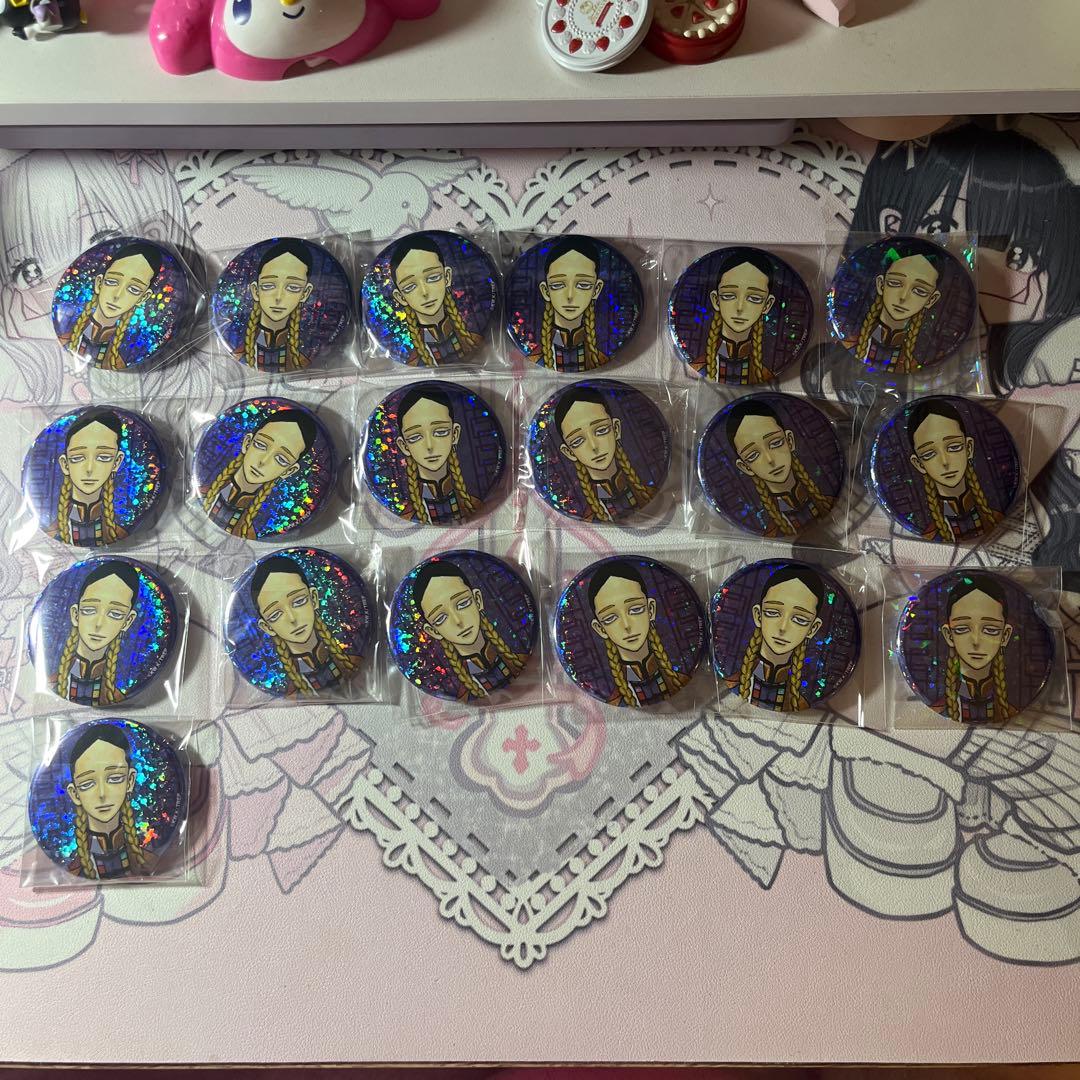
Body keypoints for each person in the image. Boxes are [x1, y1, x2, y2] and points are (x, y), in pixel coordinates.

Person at [414, 560, 527, 702]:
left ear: (477, 600)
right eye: (441, 618)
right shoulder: (462, 695)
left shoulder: (520, 660)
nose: (458, 621)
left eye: (463, 603)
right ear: (432, 631)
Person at [250, 555, 359, 696]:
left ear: (313, 598)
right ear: (267, 627)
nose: (292, 618)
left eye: (299, 601)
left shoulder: (354, 661)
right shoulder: (291, 693)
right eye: (275, 615)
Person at [200, 408, 317, 538]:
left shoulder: (250, 532)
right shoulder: (200, 496)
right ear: (247, 443)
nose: (263, 461)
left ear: (289, 471)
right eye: (261, 445)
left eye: (281, 459)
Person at [723, 399, 831, 536]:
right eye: (753, 455)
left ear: (790, 441)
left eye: (775, 443)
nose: (770, 460)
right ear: (745, 467)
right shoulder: (770, 532)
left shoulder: (830, 501)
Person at [725, 564, 825, 712]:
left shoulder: (801, 703)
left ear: (813, 628)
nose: (783, 628)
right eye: (772, 612)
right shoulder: (733, 682)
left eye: (800, 619)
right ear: (758, 615)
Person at [587, 560, 687, 707]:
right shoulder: (614, 698)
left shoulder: (680, 679)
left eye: (635, 609)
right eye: (610, 618)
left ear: (650, 609)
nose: (627, 625)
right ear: (600, 628)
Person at [905, 399, 1001, 542]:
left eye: (954, 447)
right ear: (918, 463)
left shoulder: (996, 517)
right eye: (929, 454)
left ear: (968, 448)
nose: (945, 462)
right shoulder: (930, 534)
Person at [58, 240, 162, 370]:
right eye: (112, 282)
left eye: (134, 289)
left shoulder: (118, 362)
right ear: (99, 283)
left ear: (143, 298)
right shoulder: (65, 340)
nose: (117, 295)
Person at [554, 386, 651, 521]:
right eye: (577, 441)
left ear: (616, 429)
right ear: (569, 452)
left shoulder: (649, 493)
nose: (594, 446)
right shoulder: (587, 518)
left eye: (601, 430)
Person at [64, 723, 147, 880]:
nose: (102, 794)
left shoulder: (148, 860)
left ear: (130, 781)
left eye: (115, 778)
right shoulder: (72, 870)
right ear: (74, 794)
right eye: (87, 784)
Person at [52, 560, 140, 707]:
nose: (99, 624)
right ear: (75, 614)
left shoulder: (117, 694)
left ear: (127, 621)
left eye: (115, 614)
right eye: (89, 610)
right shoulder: (51, 682)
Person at [934, 574, 1017, 724]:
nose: (976, 641)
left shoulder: (1011, 711)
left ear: (1005, 635)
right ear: (949, 635)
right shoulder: (939, 709)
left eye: (991, 630)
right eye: (962, 629)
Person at [849, 240, 941, 373]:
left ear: (931, 299)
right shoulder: (851, 344)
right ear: (881, 284)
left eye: (919, 291)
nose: (903, 297)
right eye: (895, 283)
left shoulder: (915, 364)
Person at [390, 235, 481, 365]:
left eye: (433, 277)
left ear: (447, 277)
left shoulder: (475, 340)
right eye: (410, 287)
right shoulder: (413, 362)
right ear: (400, 297)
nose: (424, 292)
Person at [394, 385, 478, 524]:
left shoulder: (474, 504)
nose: (429, 446)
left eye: (440, 432)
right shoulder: (407, 516)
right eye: (415, 437)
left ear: (455, 434)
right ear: (404, 445)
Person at [696, 249, 776, 383]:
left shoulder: (765, 374)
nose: (740, 308)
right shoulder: (698, 367)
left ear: (767, 305)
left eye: (755, 298)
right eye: (728, 295)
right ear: (716, 300)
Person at [50, 408, 127, 546]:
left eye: (104, 457)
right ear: (65, 464)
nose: (89, 469)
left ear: (117, 462)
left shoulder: (119, 533)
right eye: (77, 458)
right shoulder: (51, 532)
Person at [239, 238, 313, 371]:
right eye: (268, 285)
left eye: (293, 287)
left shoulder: (302, 359)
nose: (278, 298)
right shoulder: (240, 353)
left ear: (305, 293)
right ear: (255, 290)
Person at [536, 237, 607, 372]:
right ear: (545, 291)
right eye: (558, 285)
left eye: (583, 285)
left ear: (596, 289)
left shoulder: (601, 358)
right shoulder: (535, 356)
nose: (570, 296)